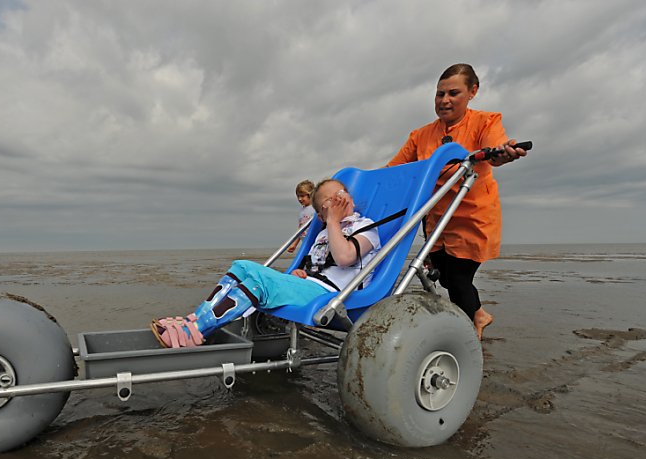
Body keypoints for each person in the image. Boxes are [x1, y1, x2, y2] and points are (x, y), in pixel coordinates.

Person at [387, 63, 527, 340]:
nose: (444, 101)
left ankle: (465, 340)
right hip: (436, 219)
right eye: (439, 94)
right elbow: (394, 170)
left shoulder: (485, 122)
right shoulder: (420, 135)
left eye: (453, 93)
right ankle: (479, 315)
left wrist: (503, 153)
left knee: (460, 279)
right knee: (447, 278)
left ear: (472, 92)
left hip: (472, 216)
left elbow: (495, 149)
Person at [152, 179, 381, 348]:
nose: (338, 200)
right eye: (331, 201)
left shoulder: (366, 227)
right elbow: (319, 264)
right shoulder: (323, 232)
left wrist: (332, 220)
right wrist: (303, 271)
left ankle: (196, 330)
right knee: (241, 266)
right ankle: (196, 319)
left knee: (259, 283)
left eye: (341, 193)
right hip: (311, 285)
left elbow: (344, 257)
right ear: (320, 214)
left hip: (335, 295)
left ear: (350, 197)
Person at [287, 179, 316, 253]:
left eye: (302, 196)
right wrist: (294, 244)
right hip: (305, 242)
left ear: (310, 195)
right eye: (298, 196)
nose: (299, 199)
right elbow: (300, 229)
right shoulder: (302, 211)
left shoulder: (315, 208)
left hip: (314, 241)